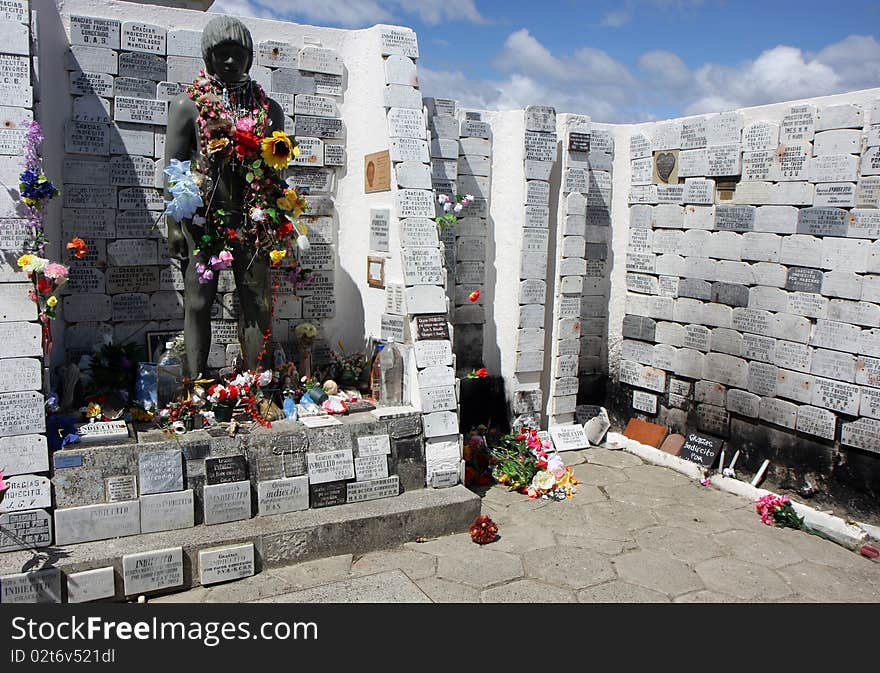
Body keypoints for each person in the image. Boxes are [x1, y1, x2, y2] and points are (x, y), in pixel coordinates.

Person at [164, 15, 288, 378]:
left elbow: (276, 172)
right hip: (204, 216)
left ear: (250, 58)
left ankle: (257, 383)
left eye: (239, 54)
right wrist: (174, 224)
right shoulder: (189, 105)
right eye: (223, 54)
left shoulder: (268, 110)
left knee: (257, 302)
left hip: (254, 216)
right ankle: (195, 385)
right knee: (199, 300)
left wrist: (279, 218)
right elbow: (175, 167)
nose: (231, 62)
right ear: (208, 57)